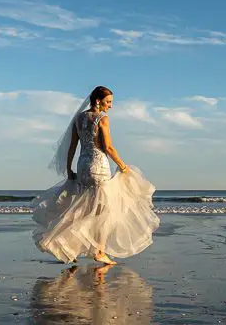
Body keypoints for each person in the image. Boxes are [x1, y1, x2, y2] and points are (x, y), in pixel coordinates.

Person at [31, 85, 159, 264]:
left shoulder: (79, 118)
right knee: (104, 210)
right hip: (98, 166)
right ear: (98, 101)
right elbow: (107, 147)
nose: (110, 106)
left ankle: (69, 247)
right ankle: (99, 251)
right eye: (108, 102)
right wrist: (123, 166)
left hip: (83, 165)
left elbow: (72, 147)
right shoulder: (102, 119)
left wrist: (69, 169)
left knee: (84, 207)